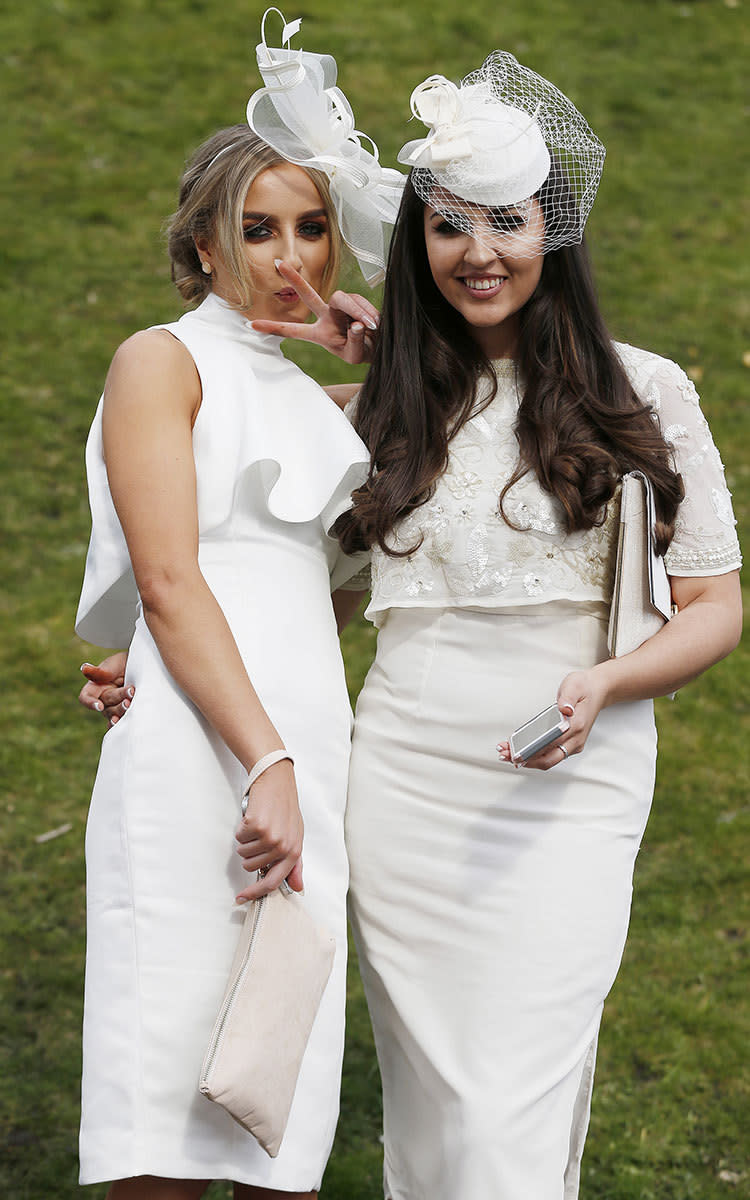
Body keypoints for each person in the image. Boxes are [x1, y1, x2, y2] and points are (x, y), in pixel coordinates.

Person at [81, 41, 743, 1200]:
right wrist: (144, 667)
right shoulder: (385, 414)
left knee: (508, 1101)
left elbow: (716, 606)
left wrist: (607, 684)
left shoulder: (648, 389)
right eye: (449, 228)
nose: (479, 253)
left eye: (508, 224)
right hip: (400, 776)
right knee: (432, 1098)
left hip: (567, 775)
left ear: (554, 234)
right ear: (418, 244)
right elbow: (285, 579)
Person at [74, 15, 402, 1195]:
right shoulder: (160, 359)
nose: (290, 255)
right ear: (203, 245)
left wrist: (383, 354)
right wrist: (262, 761)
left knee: (278, 1094)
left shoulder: (314, 397)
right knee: (164, 1089)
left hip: (308, 739)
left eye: (312, 227)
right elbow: (167, 582)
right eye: (255, 229)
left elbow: (343, 585)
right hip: (208, 748)